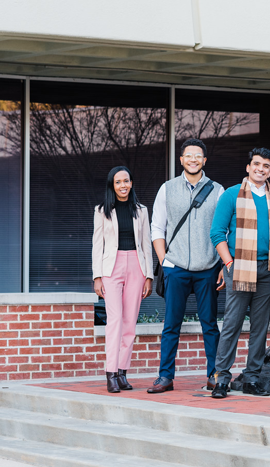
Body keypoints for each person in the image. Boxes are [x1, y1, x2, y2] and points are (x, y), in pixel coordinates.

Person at [209, 147, 270, 399]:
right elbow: (217, 233)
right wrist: (228, 263)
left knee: (260, 327)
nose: (260, 168)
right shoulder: (232, 195)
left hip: (268, 269)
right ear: (248, 167)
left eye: (265, 165)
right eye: (256, 164)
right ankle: (221, 378)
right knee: (232, 324)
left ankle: (252, 377)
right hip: (239, 267)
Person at [147, 138, 224, 393]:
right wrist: (164, 262)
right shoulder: (167, 189)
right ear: (181, 160)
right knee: (171, 325)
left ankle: (214, 374)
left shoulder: (218, 190)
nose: (193, 159)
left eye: (198, 155)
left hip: (208, 267)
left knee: (210, 325)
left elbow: (225, 229)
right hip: (175, 268)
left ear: (204, 160)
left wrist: (223, 263)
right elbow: (157, 228)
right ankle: (165, 377)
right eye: (188, 155)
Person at [92, 166, 153, 393]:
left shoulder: (142, 210)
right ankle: (110, 373)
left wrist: (149, 275)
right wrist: (97, 276)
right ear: (112, 185)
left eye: (126, 181)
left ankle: (122, 372)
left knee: (129, 323)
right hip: (111, 267)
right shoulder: (102, 211)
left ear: (131, 182)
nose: (123, 186)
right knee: (115, 320)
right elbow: (97, 245)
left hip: (136, 266)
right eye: (118, 182)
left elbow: (146, 243)